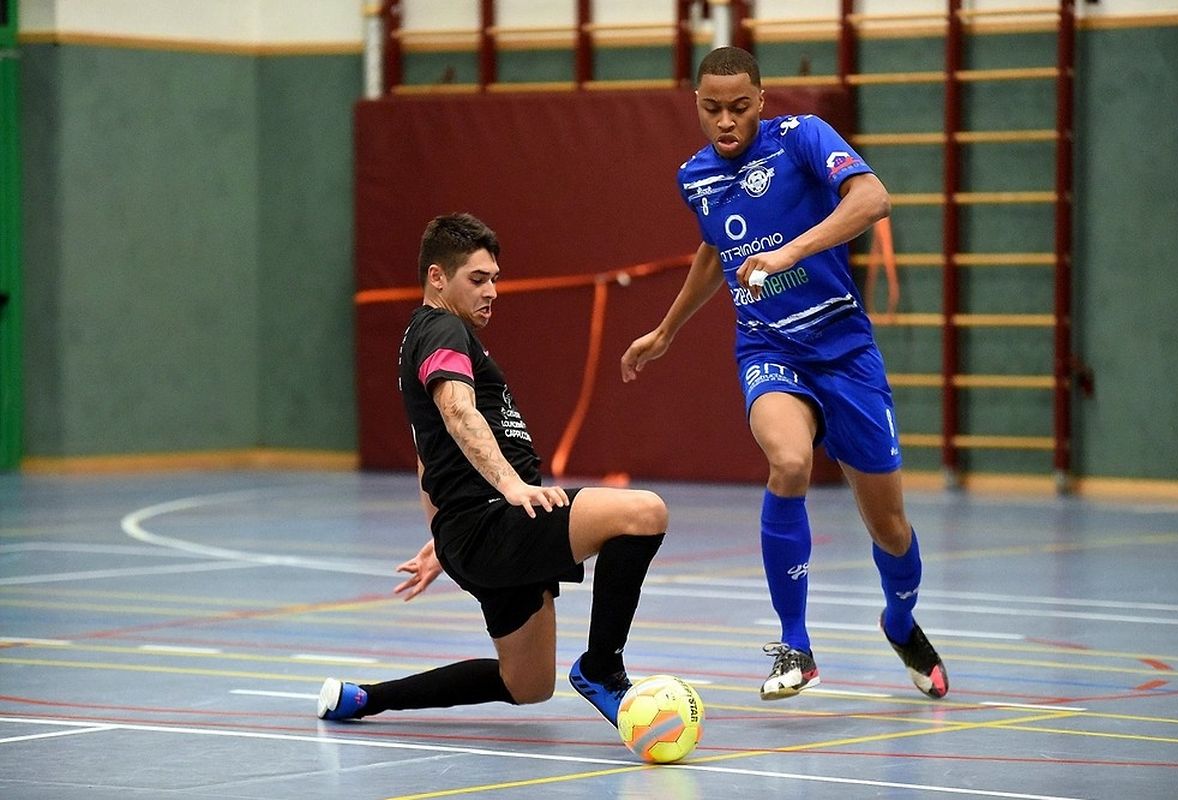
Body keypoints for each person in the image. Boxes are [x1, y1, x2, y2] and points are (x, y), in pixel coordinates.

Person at [620, 47, 947, 701]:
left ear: (762, 101)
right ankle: (794, 646)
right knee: (789, 464)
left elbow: (873, 198)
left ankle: (900, 620)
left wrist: (789, 250)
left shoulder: (802, 139)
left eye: (739, 106)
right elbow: (715, 250)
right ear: (697, 107)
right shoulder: (695, 177)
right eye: (712, 109)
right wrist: (666, 330)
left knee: (889, 526)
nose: (726, 121)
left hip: (846, 351)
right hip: (769, 348)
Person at [318, 213, 668, 725]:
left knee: (526, 685)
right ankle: (601, 667)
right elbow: (458, 412)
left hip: (472, 530)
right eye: (477, 280)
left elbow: (428, 453)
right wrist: (508, 484)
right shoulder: (440, 328)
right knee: (643, 512)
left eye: (495, 280)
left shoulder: (429, 335)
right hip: (495, 520)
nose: (492, 292)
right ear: (437, 277)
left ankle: (366, 697)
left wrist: (442, 536)